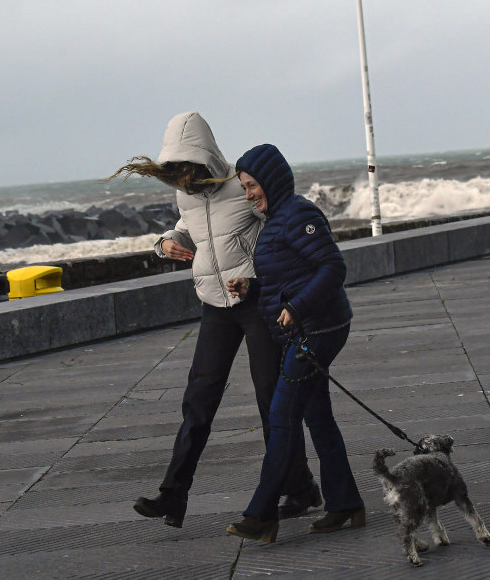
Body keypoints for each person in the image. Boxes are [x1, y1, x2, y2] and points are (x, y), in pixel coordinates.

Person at [108, 113, 320, 528]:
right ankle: (173, 495)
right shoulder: (185, 195)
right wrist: (165, 244)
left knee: (269, 401)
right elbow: (187, 230)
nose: (182, 178)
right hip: (213, 307)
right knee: (198, 402)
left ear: (203, 156)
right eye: (175, 171)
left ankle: (298, 488)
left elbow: (278, 232)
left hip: (255, 303)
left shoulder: (239, 188)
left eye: (186, 168)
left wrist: (271, 283)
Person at [224, 143, 365, 543]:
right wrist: (251, 287)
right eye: (244, 187)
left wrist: (299, 308)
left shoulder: (298, 214)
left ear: (270, 179)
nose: (249, 193)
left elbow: (333, 267)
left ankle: (262, 515)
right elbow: (289, 275)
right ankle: (345, 503)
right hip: (307, 329)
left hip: (317, 329)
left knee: (282, 417)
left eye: (252, 184)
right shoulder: (278, 219)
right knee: (317, 416)